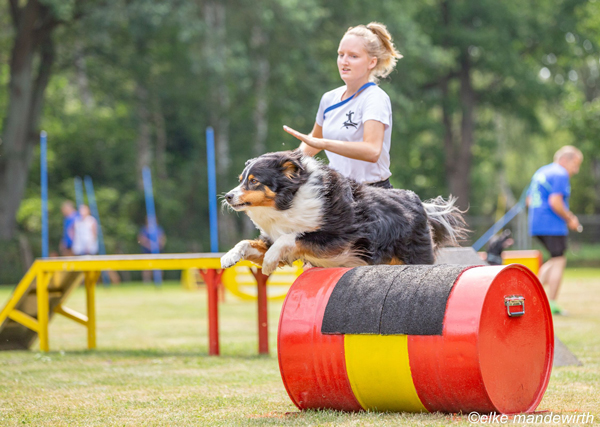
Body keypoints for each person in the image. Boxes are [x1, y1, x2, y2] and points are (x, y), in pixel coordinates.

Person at [283, 22, 402, 188]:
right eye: (341, 54)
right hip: (340, 193)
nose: (344, 61)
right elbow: (314, 141)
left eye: (353, 56)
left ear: (371, 62)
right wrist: (285, 164)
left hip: (374, 194)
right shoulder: (329, 99)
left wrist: (325, 144)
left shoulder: (375, 98)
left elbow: (372, 151)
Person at [528, 145, 583, 315]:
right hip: (552, 225)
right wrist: (570, 218)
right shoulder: (560, 173)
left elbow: (529, 200)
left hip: (536, 223)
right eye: (575, 164)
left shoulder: (541, 172)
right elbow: (555, 202)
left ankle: (530, 297)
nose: (576, 170)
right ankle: (551, 303)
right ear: (564, 160)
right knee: (559, 260)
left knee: (554, 259)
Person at [138, 218, 166, 282]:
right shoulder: (144, 229)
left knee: (158, 266)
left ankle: (159, 280)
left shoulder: (158, 229)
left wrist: (158, 246)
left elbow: (162, 239)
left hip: (157, 251)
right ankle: (147, 281)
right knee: (146, 267)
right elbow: (140, 240)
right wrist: (150, 245)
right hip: (146, 251)